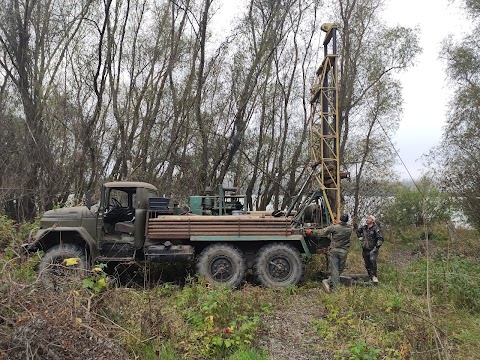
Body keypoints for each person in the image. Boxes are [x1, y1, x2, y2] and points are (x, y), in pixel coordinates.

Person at [310, 214, 352, 293]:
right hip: (344, 251)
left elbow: (322, 232)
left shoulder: (334, 227)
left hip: (334, 251)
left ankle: (335, 289)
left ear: (340, 219)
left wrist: (311, 231)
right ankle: (330, 281)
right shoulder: (350, 228)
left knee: (335, 269)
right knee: (339, 269)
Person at [356, 215, 384, 284]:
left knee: (372, 262)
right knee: (367, 263)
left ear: (372, 220)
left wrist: (376, 247)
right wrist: (360, 238)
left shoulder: (376, 228)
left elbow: (380, 239)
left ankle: (374, 276)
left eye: (369, 218)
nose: (367, 219)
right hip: (365, 248)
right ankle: (370, 276)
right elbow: (357, 231)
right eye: (367, 218)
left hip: (373, 249)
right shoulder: (364, 227)